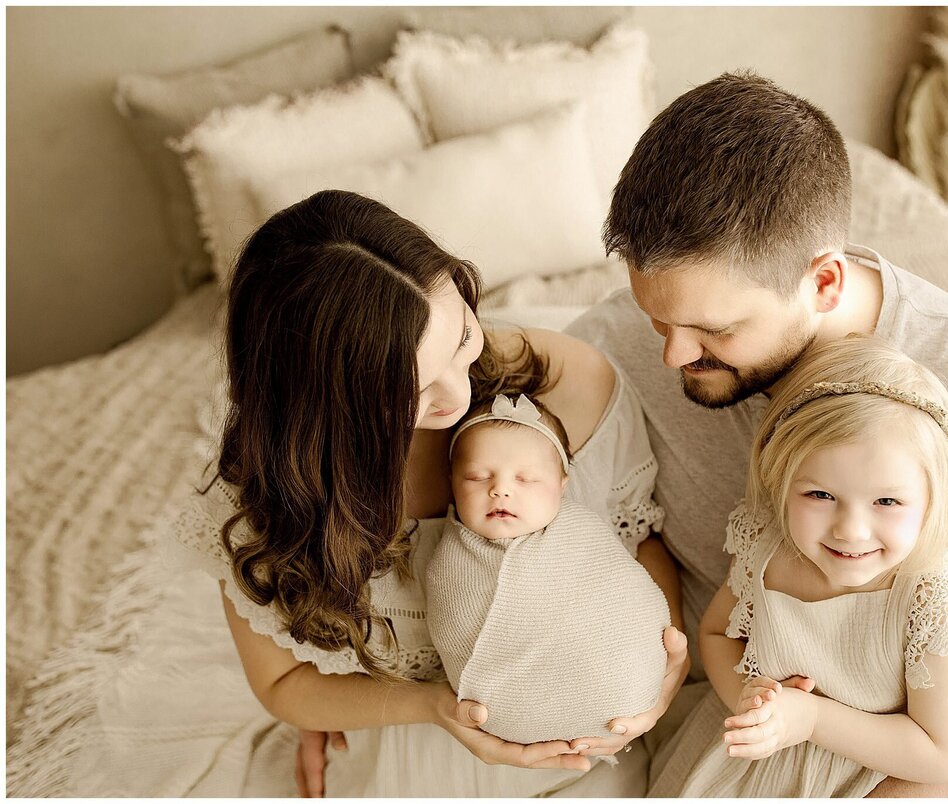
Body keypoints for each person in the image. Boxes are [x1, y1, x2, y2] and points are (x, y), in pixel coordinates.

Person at [564, 71, 948, 796]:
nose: (672, 356)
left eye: (714, 330)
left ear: (823, 283)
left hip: (935, 715)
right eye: (659, 320)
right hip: (749, 718)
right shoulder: (615, 347)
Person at [55, 189, 690, 797]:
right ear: (326, 408)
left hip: (592, 745)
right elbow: (282, 683)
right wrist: (432, 709)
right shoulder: (269, 502)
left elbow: (638, 540)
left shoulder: (559, 388)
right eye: (412, 390)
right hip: (418, 743)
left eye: (462, 338)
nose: (459, 394)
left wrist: (663, 661)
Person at [649, 334, 948, 796]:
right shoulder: (767, 548)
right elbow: (715, 635)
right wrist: (749, 699)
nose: (850, 529)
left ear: (931, 503)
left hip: (840, 781)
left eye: (887, 501)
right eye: (820, 495)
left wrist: (809, 719)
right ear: (781, 481)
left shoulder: (930, 596)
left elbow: (943, 752)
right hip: (732, 765)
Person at [426, 392, 670, 746]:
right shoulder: (447, 563)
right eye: (478, 477)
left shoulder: (584, 533)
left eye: (525, 479)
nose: (501, 490)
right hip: (504, 715)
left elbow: (624, 594)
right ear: (451, 481)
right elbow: (452, 625)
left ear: (562, 484)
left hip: (625, 693)